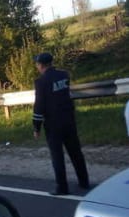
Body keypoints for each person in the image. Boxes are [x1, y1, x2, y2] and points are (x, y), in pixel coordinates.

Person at [32, 52, 89, 195]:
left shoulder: (41, 82)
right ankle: (84, 182)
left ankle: (62, 187)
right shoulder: (64, 75)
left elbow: (39, 105)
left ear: (40, 65)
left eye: (37, 64)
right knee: (76, 152)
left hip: (53, 124)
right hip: (69, 120)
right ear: (51, 62)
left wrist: (36, 127)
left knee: (57, 156)